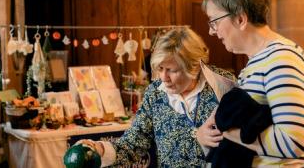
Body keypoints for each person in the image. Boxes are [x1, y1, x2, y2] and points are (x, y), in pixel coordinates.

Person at [201, 0, 304, 167]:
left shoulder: (281, 57)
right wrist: (207, 134)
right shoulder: (257, 61)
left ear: (240, 19)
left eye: (215, 21)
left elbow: (293, 142)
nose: (212, 31)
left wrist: (227, 130)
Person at [73, 27, 233, 167]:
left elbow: (246, 139)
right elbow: (133, 143)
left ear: (194, 66)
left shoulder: (222, 85)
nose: (163, 77)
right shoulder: (156, 92)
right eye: (160, 68)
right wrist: (100, 149)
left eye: (171, 70)